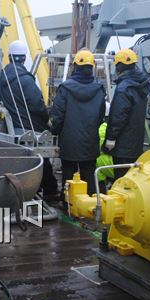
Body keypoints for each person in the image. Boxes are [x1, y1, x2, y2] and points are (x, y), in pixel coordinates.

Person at [0, 40, 58, 200]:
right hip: (29, 127)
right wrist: (47, 119)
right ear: (24, 58)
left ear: (10, 57)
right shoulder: (26, 80)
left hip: (13, 127)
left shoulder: (2, 78)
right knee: (42, 156)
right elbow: (37, 105)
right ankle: (50, 190)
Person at [50, 49, 106, 195]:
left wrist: (54, 131)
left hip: (69, 141)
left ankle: (69, 203)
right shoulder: (99, 89)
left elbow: (57, 116)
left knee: (69, 174)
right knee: (89, 174)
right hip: (90, 140)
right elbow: (101, 116)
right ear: (92, 67)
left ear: (75, 67)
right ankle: (92, 204)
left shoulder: (65, 88)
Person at [104, 48, 150, 180]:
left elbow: (118, 116)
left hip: (122, 145)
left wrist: (111, 138)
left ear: (119, 66)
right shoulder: (142, 85)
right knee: (132, 178)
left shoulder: (124, 88)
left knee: (122, 179)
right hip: (136, 143)